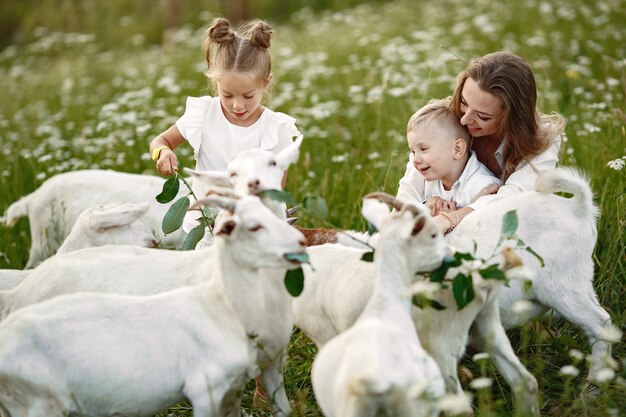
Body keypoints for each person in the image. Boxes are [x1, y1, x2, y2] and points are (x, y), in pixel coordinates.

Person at [149, 17, 300, 237]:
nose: (237, 105)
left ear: (265, 83)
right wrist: (162, 153)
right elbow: (161, 141)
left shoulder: (275, 130)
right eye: (227, 95)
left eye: (248, 96)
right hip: (203, 226)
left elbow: (274, 192)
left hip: (251, 228)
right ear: (215, 82)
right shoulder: (203, 114)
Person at [397, 51, 565, 234]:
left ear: (511, 119)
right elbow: (410, 190)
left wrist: (451, 219)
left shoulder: (541, 142)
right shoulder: (450, 118)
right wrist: (426, 207)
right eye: (464, 101)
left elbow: (513, 201)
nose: (464, 119)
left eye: (483, 116)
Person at [397, 98, 501, 227]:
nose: (416, 160)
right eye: (413, 151)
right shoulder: (430, 178)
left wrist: (454, 218)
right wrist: (426, 208)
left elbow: (484, 231)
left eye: (423, 149)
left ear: (457, 149)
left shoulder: (483, 186)